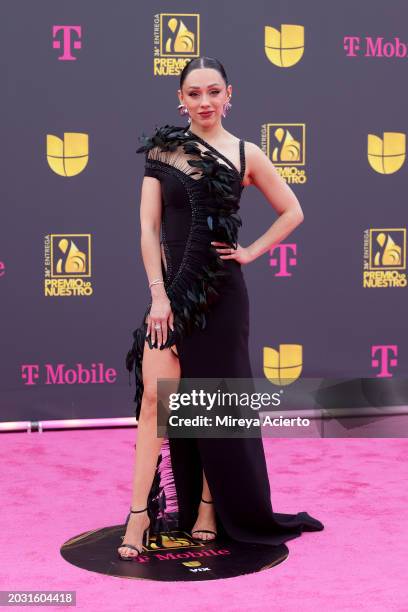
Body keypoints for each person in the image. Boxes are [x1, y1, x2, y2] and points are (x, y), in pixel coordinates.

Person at [119, 56, 324, 560]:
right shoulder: (164, 151)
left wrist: (251, 251)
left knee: (210, 406)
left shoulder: (245, 153)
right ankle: (139, 514)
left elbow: (292, 210)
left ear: (229, 94)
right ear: (180, 99)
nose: (205, 102)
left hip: (222, 295)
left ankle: (211, 507)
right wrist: (158, 296)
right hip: (170, 295)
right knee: (155, 404)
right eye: (194, 93)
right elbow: (148, 229)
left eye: (214, 92)